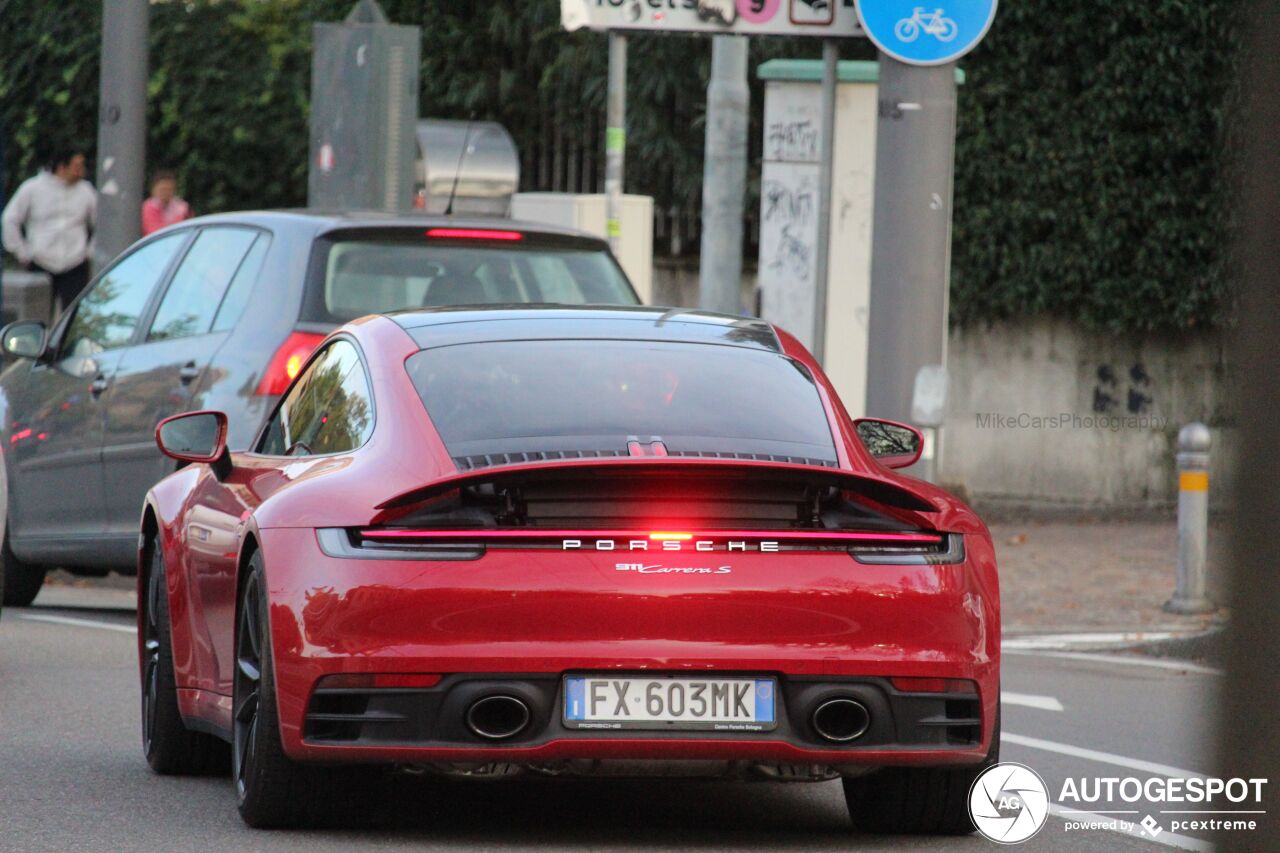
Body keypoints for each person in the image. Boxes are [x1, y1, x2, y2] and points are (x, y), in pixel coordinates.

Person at [1, 147, 97, 311]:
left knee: (74, 314)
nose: (81, 172)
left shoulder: (86, 190)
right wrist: (22, 252)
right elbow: (10, 219)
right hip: (40, 261)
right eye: (76, 167)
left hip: (75, 262)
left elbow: (100, 222)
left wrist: (90, 250)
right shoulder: (32, 188)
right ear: (62, 167)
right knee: (37, 313)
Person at [140, 170, 192, 235]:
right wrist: (179, 217)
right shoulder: (150, 207)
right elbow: (155, 232)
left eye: (169, 189)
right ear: (153, 190)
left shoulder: (181, 207)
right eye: (162, 189)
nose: (166, 193)